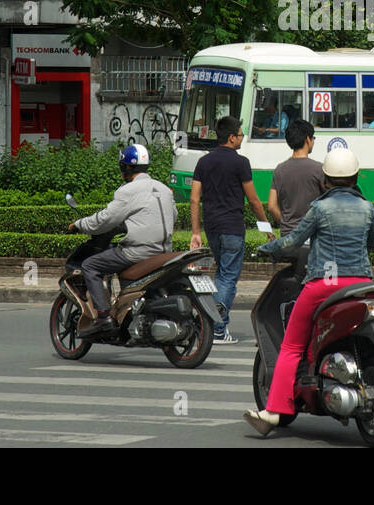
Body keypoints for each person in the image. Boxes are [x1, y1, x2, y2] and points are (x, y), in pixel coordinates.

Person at [243, 148, 374, 436]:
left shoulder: (320, 208)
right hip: (362, 286)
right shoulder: (367, 208)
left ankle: (273, 412)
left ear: (325, 181)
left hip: (325, 284)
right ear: (356, 177)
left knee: (291, 346)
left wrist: (268, 248)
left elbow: (293, 240)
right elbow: (373, 244)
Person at [64, 144, 176, 339]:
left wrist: (79, 224)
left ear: (127, 167)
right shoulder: (164, 189)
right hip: (164, 251)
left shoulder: (128, 191)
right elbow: (172, 215)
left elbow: (105, 219)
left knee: (90, 265)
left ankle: (103, 317)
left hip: (138, 252)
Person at [190, 116, 268, 344]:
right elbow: (253, 200)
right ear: (232, 137)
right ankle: (217, 329)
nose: (242, 138)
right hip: (233, 227)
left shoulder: (203, 162)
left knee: (221, 275)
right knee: (228, 278)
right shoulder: (241, 163)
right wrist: (266, 226)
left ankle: (211, 325)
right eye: (241, 135)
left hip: (212, 228)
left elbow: (194, 199)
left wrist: (196, 232)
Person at [267, 119, 323, 236]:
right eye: (313, 138)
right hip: (311, 235)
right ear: (307, 139)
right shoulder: (319, 169)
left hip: (287, 235)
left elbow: (271, 206)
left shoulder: (279, 170)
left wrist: (285, 223)